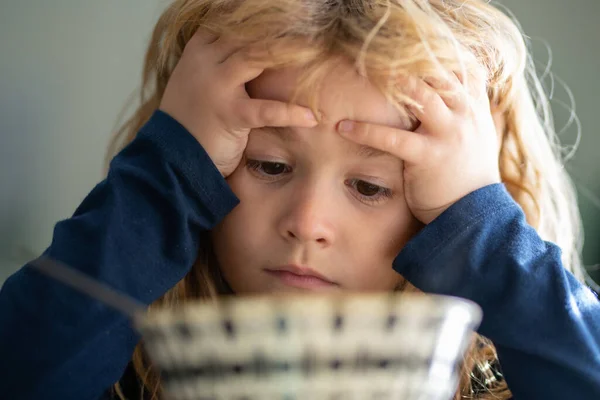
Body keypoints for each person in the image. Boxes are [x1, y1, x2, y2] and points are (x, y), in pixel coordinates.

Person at [1, 0, 599, 399]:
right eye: (269, 165)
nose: (307, 223)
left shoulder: (501, 380)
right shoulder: (117, 367)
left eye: (369, 187)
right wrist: (165, 177)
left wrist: (483, 233)